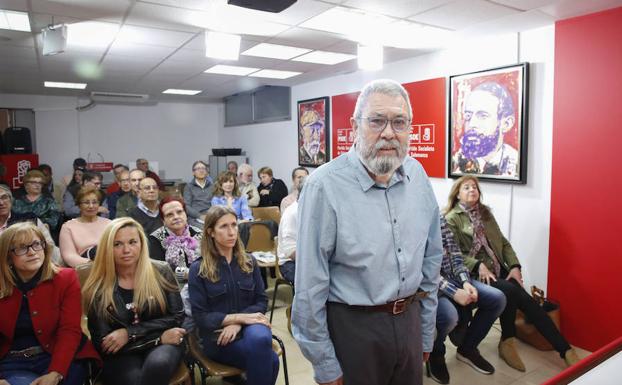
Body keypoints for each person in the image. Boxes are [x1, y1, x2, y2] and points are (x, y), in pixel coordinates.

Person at [292, 79, 443, 385]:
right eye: (377, 121)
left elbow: (431, 260)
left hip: (410, 321)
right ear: (355, 125)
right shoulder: (324, 186)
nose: (389, 132)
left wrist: (426, 331)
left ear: (410, 127)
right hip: (353, 330)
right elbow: (309, 285)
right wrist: (324, 361)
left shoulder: (418, 176)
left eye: (399, 122)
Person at [444, 175, 579, 371]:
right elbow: (453, 253)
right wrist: (477, 264)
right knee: (511, 291)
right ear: (457, 195)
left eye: (475, 187)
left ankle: (562, 349)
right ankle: (512, 342)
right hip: (471, 275)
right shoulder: (451, 219)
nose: (472, 190)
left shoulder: (485, 214)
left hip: (497, 269)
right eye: (466, 187)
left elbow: (503, 243)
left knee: (523, 298)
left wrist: (515, 266)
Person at [81, 217, 186, 385]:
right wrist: (156, 337)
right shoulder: (97, 286)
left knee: (158, 365)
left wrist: (129, 333)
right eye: (117, 244)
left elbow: (177, 317)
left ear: (142, 244)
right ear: (108, 248)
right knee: (133, 380)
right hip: (123, 352)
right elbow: (104, 344)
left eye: (132, 242)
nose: (126, 250)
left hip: (164, 342)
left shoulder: (161, 271)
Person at [0, 222, 100, 385]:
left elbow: (69, 330)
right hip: (14, 362)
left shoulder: (66, 278)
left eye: (36, 245)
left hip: (60, 356)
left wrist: (56, 372)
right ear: (7, 256)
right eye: (22, 248)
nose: (32, 252)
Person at [189, 206, 279, 385]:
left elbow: (261, 301)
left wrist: (238, 322)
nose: (232, 232)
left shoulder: (249, 261)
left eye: (234, 225)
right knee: (271, 360)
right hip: (218, 337)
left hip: (248, 329)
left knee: (261, 339)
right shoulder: (198, 269)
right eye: (223, 227)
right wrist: (236, 318)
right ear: (211, 232)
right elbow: (201, 317)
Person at [426, 217, 506, 384]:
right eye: (467, 187)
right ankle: (436, 353)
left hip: (454, 278)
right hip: (431, 286)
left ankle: (467, 348)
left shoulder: (438, 218)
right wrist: (454, 292)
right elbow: (421, 269)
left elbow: (455, 255)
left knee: (497, 299)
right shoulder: (409, 221)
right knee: (449, 316)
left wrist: (465, 282)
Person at [452, 82, 519, 177]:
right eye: (468, 116)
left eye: (482, 116)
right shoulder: (456, 162)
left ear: (506, 124)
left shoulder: (516, 162)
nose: (471, 124)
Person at [0, 185, 62, 265]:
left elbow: (50, 247)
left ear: (10, 200)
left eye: (4, 197)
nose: (1, 203)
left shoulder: (30, 220)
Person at [149, 196, 202, 282]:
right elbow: (159, 273)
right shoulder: (156, 239)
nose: (176, 217)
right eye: (170, 214)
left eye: (179, 212)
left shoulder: (199, 234)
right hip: (172, 288)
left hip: (200, 284)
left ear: (185, 214)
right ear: (163, 220)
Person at [59, 186, 111, 267]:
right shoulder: (68, 227)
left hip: (109, 266)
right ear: (79, 205)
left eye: (94, 202)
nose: (91, 206)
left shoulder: (109, 224)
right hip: (84, 269)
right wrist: (95, 265)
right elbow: (69, 256)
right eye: (86, 203)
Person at [182, 160, 213, 226]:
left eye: (203, 168)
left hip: (211, 216)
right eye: (198, 169)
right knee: (202, 230)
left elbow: (217, 203)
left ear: (207, 172)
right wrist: (200, 216)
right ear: (193, 173)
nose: (201, 170)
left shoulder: (212, 186)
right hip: (195, 218)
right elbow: (186, 206)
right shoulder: (188, 187)